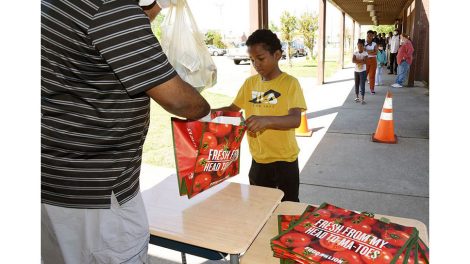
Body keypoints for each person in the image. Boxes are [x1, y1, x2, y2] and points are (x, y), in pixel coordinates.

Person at [41, 0, 211, 263]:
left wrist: (150, 7)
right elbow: (180, 101)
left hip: (52, 184)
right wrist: (206, 110)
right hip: (97, 193)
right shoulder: (111, 7)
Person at [214, 29, 307, 202]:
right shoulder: (250, 84)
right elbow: (232, 109)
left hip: (285, 161)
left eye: (261, 58)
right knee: (259, 207)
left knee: (288, 207)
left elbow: (295, 119)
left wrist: (266, 121)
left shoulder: (290, 84)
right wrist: (206, 113)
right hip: (259, 161)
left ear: (277, 55)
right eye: (252, 59)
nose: (256, 64)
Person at [353, 39, 368, 104]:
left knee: (362, 84)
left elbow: (365, 61)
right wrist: (361, 60)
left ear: (363, 46)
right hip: (356, 71)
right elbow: (353, 60)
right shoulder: (355, 52)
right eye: (358, 46)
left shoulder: (365, 53)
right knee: (356, 84)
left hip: (363, 71)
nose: (359, 47)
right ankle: (357, 97)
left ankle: (363, 98)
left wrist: (357, 60)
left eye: (361, 46)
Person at [365, 30, 378, 94]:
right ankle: (362, 88)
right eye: (368, 35)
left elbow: (376, 53)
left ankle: (372, 89)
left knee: (372, 75)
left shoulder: (374, 44)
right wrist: (372, 51)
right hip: (365, 60)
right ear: (366, 35)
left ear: (373, 36)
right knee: (364, 75)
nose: (369, 36)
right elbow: (363, 51)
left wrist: (368, 51)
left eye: (371, 35)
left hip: (373, 60)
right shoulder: (363, 43)